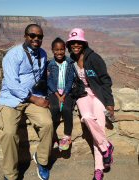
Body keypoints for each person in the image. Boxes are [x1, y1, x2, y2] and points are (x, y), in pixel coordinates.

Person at [0, 24, 53, 180]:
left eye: (39, 37)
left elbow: (42, 75)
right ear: (25, 36)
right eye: (32, 35)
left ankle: (41, 160)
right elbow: (12, 85)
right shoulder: (13, 55)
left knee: (47, 124)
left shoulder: (42, 54)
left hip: (32, 97)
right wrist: (35, 99)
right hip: (12, 98)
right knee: (9, 134)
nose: (36, 39)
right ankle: (10, 175)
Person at [66, 28, 115, 180]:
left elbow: (106, 80)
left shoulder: (94, 58)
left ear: (83, 43)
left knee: (98, 129)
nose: (76, 45)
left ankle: (98, 170)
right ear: (69, 44)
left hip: (98, 95)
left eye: (78, 42)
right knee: (87, 117)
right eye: (73, 42)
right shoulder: (70, 61)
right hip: (83, 95)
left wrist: (109, 102)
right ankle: (107, 147)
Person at [47, 37, 75, 151]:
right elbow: (49, 81)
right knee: (54, 108)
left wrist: (64, 95)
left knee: (67, 109)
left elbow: (70, 80)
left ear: (65, 50)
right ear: (53, 50)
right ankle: (53, 136)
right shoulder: (50, 64)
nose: (59, 52)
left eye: (62, 49)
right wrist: (58, 96)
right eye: (56, 50)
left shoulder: (69, 63)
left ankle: (67, 136)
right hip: (54, 92)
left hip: (67, 92)